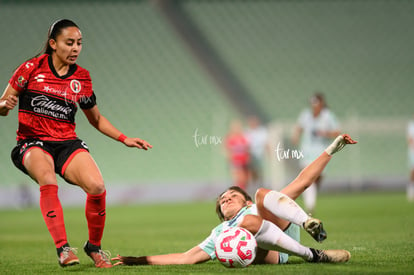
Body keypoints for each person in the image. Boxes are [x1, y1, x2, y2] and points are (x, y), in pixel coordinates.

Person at [0, 19, 152, 268]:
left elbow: (97, 119)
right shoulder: (29, 68)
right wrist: (3, 107)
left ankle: (94, 247)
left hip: (67, 143)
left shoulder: (81, 78)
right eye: (69, 43)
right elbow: (3, 104)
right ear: (53, 44)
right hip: (32, 142)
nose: (75, 48)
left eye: (79, 43)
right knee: (47, 178)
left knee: (97, 186)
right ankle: (63, 249)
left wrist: (125, 138)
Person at [112, 134, 356, 266]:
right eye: (222, 200)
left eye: (232, 195)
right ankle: (313, 254)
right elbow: (187, 257)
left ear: (244, 201)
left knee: (263, 195)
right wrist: (138, 260)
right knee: (250, 220)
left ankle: (307, 225)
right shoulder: (220, 231)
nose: (225, 198)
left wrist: (330, 150)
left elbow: (302, 182)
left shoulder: (257, 206)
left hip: (277, 229)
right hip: (267, 253)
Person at [291, 92, 340, 214]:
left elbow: (337, 132)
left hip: (322, 151)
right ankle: (310, 206)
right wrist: (296, 136)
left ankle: (310, 197)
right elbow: (299, 127)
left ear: (321, 103)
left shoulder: (328, 116)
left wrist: (325, 133)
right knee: (308, 176)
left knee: (317, 178)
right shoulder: (305, 115)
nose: (314, 106)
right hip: (307, 151)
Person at [224, 120, 250, 190]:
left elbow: (247, 148)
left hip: (243, 160)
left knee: (244, 178)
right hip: (235, 161)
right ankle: (239, 191)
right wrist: (231, 159)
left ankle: (242, 190)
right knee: (238, 177)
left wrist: (247, 157)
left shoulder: (243, 137)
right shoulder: (230, 138)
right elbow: (227, 150)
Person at [244, 116, 269, 189]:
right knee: (252, 171)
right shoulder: (247, 132)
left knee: (258, 171)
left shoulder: (262, 131)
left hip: (259, 155)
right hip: (250, 155)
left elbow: (266, 143)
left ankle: (259, 184)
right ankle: (254, 185)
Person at [407, 116, 414, 201]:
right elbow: (410, 140)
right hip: (413, 151)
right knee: (413, 170)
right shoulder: (411, 125)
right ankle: (411, 190)